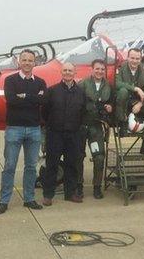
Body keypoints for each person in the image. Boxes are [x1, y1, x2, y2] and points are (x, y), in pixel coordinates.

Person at [0, 49, 47, 214]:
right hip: (14, 129)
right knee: (9, 166)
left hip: (34, 129)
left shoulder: (41, 82)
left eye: (30, 60)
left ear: (35, 62)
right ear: (19, 62)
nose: (27, 63)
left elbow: (42, 100)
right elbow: (11, 100)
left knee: (31, 166)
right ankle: (4, 201)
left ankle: (29, 198)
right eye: (24, 60)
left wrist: (24, 96)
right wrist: (32, 98)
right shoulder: (10, 80)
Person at [42, 63, 86, 206]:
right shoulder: (52, 91)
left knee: (72, 165)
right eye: (65, 70)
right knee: (52, 165)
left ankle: (70, 193)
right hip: (55, 134)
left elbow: (83, 112)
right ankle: (48, 195)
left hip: (73, 134)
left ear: (75, 72)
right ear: (61, 72)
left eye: (70, 70)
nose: (67, 73)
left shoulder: (80, 92)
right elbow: (44, 112)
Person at [77, 59, 112, 199]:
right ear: (92, 69)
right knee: (78, 157)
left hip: (96, 127)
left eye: (102, 69)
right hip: (81, 126)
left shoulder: (108, 86)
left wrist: (110, 107)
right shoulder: (83, 84)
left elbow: (111, 102)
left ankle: (97, 186)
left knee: (99, 157)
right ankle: (78, 186)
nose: (100, 71)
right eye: (97, 69)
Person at [115, 48, 144, 157]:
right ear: (128, 58)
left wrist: (140, 104)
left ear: (141, 59)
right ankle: (122, 123)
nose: (134, 61)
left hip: (138, 103)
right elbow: (117, 84)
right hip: (124, 103)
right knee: (123, 91)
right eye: (132, 58)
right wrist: (136, 89)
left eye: (137, 58)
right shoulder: (120, 69)